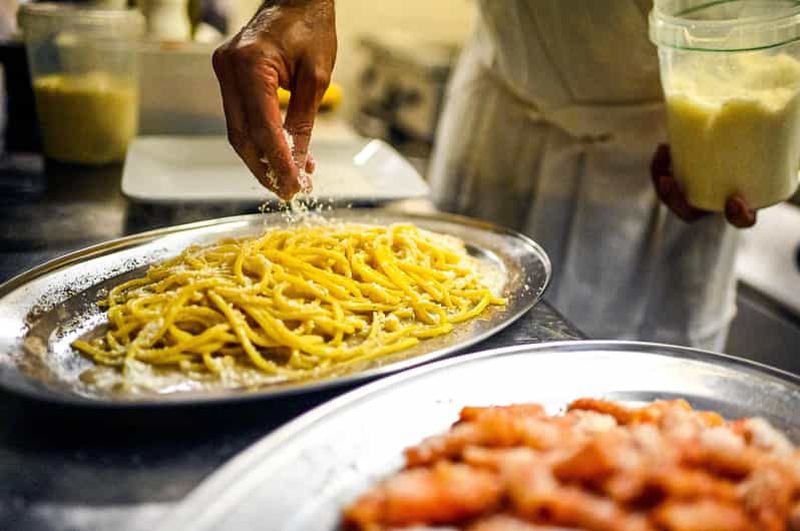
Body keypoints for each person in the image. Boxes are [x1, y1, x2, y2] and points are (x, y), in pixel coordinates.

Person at [212, 0, 757, 351]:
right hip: (508, 115)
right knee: (446, 374)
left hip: (686, 139)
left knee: (643, 440)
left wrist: (749, 137)